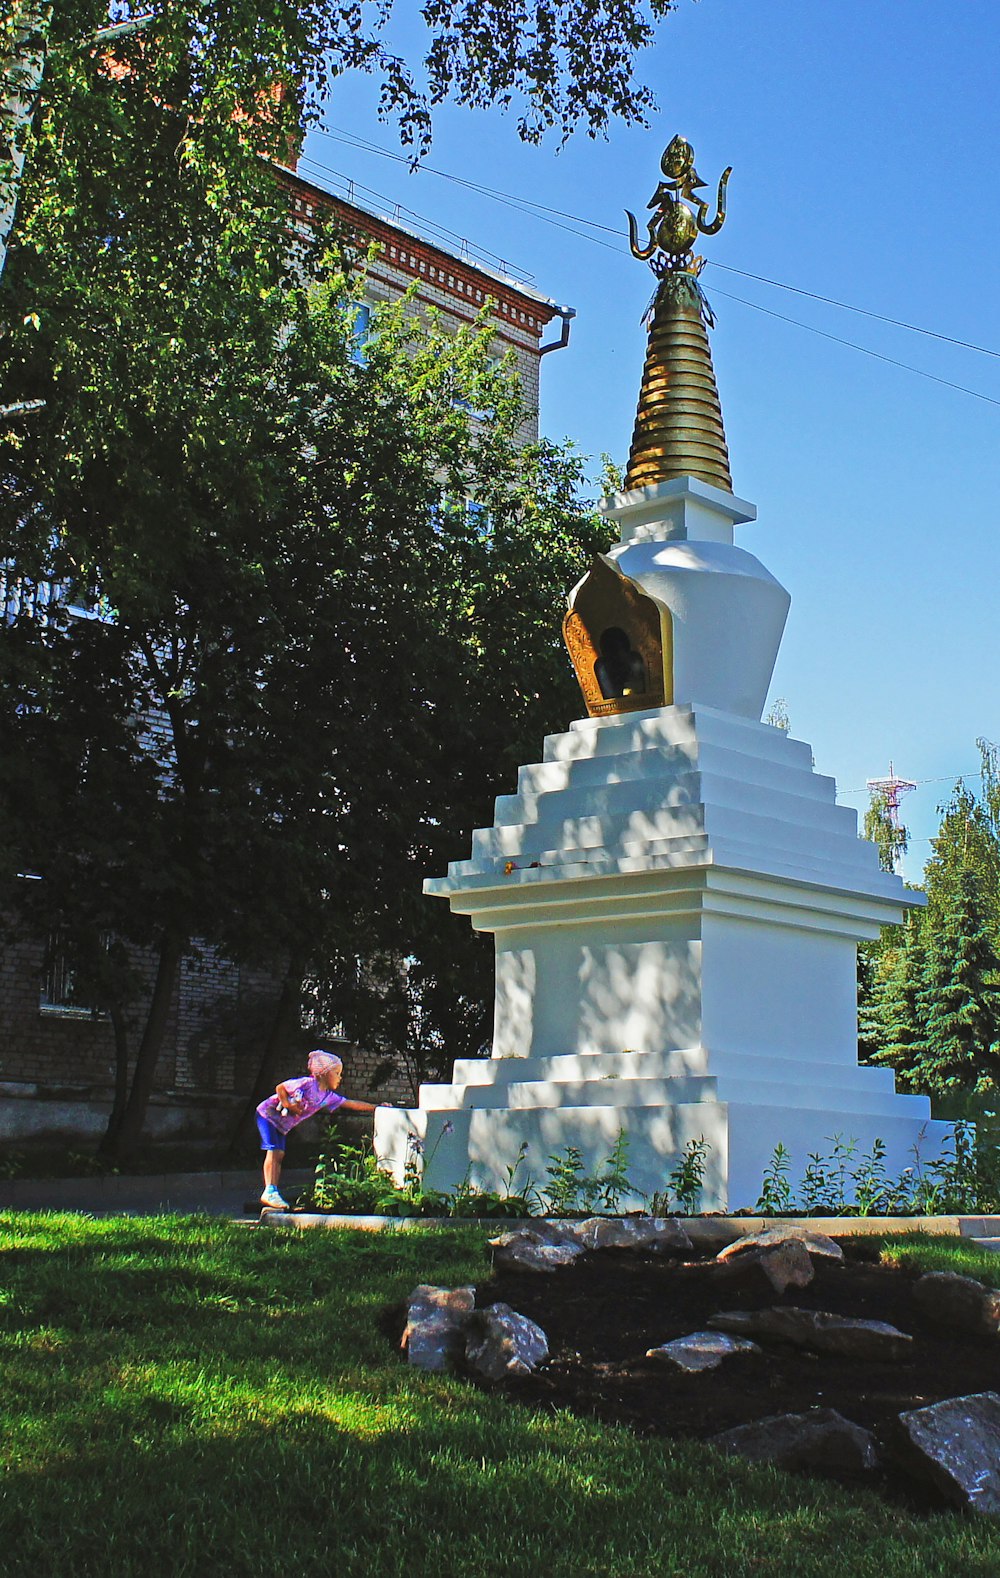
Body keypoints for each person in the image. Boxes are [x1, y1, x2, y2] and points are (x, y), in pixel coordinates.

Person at [256, 1049, 391, 1209]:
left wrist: (376, 1107)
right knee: (275, 1151)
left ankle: (273, 1191)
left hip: (281, 1124)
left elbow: (350, 1103)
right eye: (337, 1073)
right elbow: (281, 1088)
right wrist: (287, 1104)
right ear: (324, 1073)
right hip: (267, 1114)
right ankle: (270, 1190)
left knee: (279, 1154)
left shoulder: (327, 1096)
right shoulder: (306, 1084)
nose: (340, 1077)